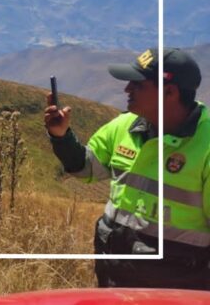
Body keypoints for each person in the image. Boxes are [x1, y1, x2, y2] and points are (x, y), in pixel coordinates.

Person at [44, 48, 210, 290]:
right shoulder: (124, 126)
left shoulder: (205, 145)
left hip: (174, 292)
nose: (127, 89)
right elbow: (87, 168)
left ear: (170, 92)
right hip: (113, 280)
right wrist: (61, 136)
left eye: (138, 84)